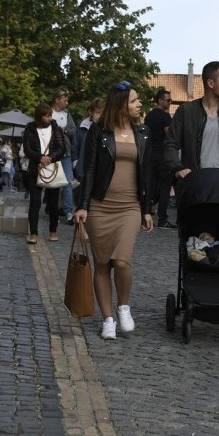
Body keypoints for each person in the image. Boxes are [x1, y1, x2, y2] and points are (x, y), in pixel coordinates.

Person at [75, 81, 153, 340]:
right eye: (134, 100)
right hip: (100, 206)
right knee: (101, 264)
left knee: (121, 261)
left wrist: (147, 209)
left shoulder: (143, 132)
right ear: (120, 105)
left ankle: (124, 307)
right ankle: (108, 319)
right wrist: (82, 206)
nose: (139, 104)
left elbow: (147, 173)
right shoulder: (99, 131)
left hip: (130, 206)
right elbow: (88, 170)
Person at [162, 60, 219, 179]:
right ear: (211, 83)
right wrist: (177, 168)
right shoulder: (186, 111)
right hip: (194, 182)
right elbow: (170, 144)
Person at [22, 103, 66, 244]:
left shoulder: (56, 129)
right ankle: (33, 233)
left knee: (53, 204)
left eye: (50, 115)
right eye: (47, 116)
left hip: (52, 168)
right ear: (39, 117)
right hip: (35, 168)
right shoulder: (30, 129)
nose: (49, 118)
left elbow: (61, 148)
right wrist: (40, 157)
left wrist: (49, 158)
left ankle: (53, 231)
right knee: (35, 202)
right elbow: (27, 149)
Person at [144, 89, 177, 229]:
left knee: (150, 184)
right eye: (168, 100)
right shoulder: (165, 116)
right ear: (160, 100)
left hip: (150, 153)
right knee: (165, 185)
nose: (170, 103)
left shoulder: (148, 116)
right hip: (162, 154)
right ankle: (162, 218)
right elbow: (169, 135)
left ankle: (146, 212)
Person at [74, 97, 104, 204]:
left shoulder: (106, 128)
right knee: (83, 195)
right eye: (97, 112)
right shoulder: (83, 126)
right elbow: (76, 145)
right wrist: (76, 162)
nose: (99, 115)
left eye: (101, 113)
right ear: (91, 112)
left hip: (99, 168)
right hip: (83, 166)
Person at [52, 90, 77, 222]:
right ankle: (53, 209)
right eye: (65, 100)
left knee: (67, 183)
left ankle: (68, 211)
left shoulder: (67, 115)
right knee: (53, 183)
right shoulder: (48, 113)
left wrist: (65, 130)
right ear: (57, 100)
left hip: (66, 153)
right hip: (51, 154)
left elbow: (74, 130)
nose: (67, 103)